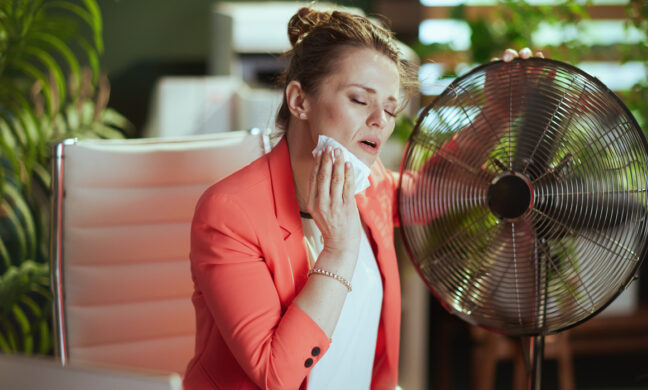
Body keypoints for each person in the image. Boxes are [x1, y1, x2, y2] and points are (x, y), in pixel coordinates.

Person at [183, 5, 539, 390]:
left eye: (389, 108)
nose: (379, 121)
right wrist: (339, 250)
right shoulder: (229, 214)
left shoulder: (367, 184)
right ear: (299, 101)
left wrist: (494, 115)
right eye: (359, 100)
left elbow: (427, 193)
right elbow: (276, 374)